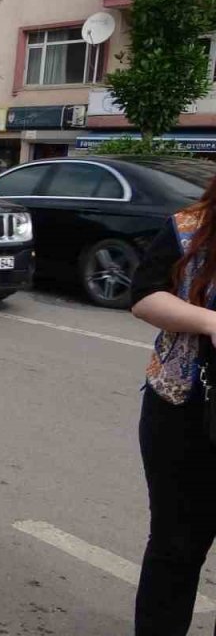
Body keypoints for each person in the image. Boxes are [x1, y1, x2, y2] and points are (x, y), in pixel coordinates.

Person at [129, 175, 216, 635]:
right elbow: (143, 295)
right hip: (183, 409)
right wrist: (210, 321)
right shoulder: (189, 227)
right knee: (175, 548)